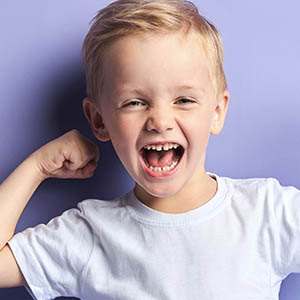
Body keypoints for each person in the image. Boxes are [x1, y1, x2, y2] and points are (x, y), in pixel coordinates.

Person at [0, 0, 299, 299]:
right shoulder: (90, 234)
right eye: (134, 103)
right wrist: (36, 168)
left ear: (217, 112)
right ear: (99, 120)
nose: (159, 121)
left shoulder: (267, 213)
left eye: (183, 100)